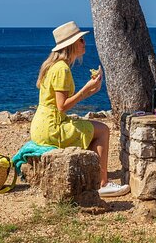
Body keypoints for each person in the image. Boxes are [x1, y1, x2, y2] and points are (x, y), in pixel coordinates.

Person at [30, 21, 130, 197]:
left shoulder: (55, 66)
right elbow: (62, 106)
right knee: (103, 130)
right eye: (81, 40)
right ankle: (103, 183)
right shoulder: (62, 69)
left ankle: (94, 178)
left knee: (91, 129)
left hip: (41, 125)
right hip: (52, 127)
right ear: (71, 45)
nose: (84, 43)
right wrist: (86, 89)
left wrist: (92, 89)